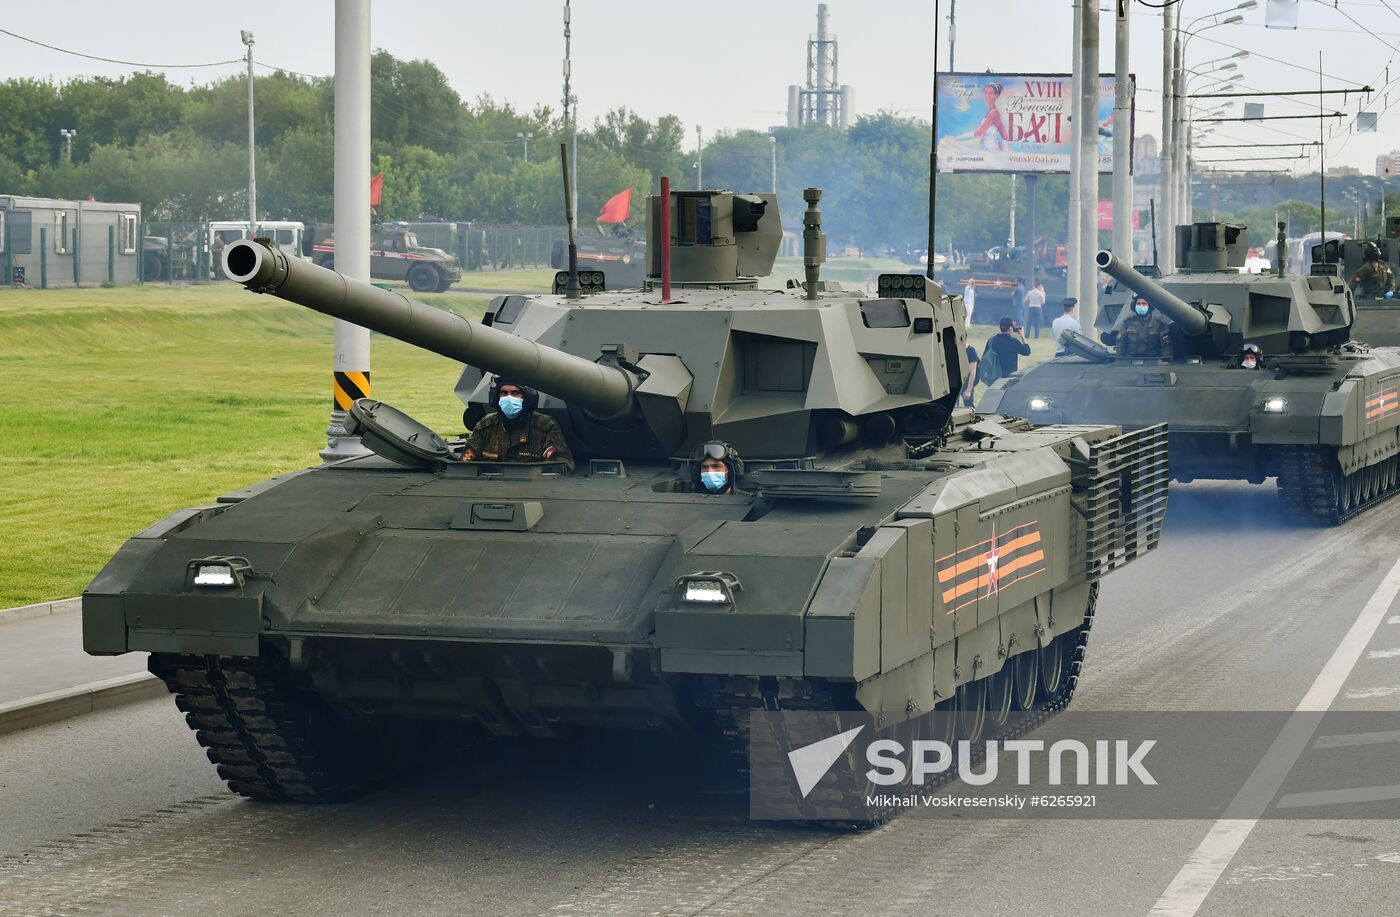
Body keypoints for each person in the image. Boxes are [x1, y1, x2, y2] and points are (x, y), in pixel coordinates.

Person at [461, 378, 574, 469]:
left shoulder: (545, 426)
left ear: (527, 398)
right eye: (503, 393)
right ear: (496, 397)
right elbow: (464, 463)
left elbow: (562, 465)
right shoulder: (487, 424)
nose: (509, 398)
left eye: (515, 393)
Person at [1116, 295, 1175, 360]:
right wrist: (1120, 361)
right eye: (1138, 304)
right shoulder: (1128, 323)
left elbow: (1166, 347)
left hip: (1153, 361)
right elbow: (1120, 344)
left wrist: (1165, 362)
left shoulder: (1159, 324)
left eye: (1144, 304)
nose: (1141, 306)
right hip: (1132, 361)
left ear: (1149, 306)